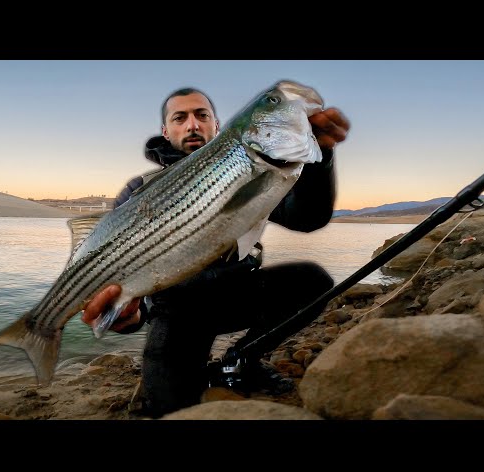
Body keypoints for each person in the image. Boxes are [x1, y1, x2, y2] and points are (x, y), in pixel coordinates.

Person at [82, 86, 350, 418]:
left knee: (312, 281)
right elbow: (124, 277)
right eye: (180, 118)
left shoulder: (258, 166)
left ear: (217, 125)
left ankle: (241, 359)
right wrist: (128, 317)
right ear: (166, 131)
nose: (192, 125)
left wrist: (321, 159)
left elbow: (307, 218)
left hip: (237, 293)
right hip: (177, 312)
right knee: (168, 409)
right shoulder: (139, 191)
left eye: (201, 115)